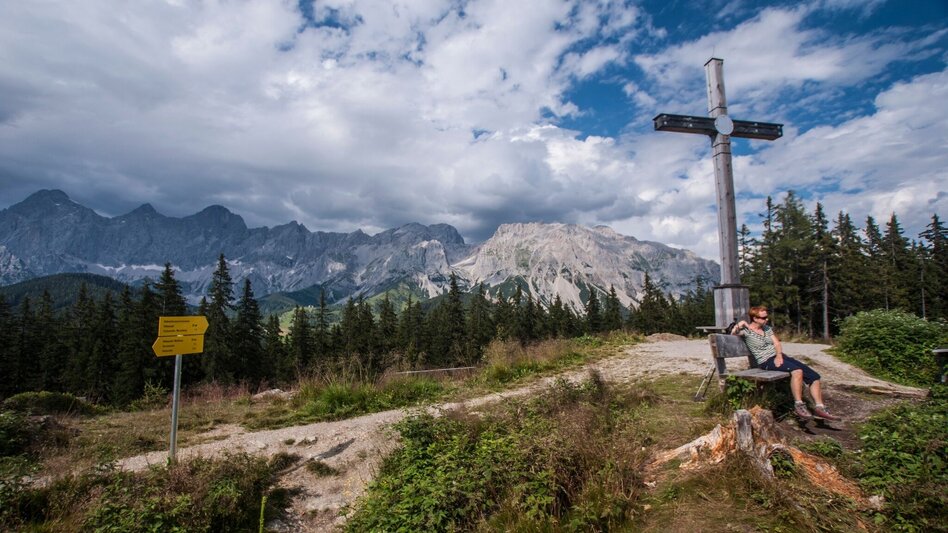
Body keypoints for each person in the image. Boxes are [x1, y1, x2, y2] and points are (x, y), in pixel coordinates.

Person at [730, 306, 839, 421]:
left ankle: (820, 407)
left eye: (767, 317)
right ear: (754, 318)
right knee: (797, 371)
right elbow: (732, 335)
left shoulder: (767, 328)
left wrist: (779, 355)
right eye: (763, 318)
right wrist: (739, 324)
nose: (766, 320)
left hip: (779, 357)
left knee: (814, 376)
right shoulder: (746, 331)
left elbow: (777, 344)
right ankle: (799, 404)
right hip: (765, 361)